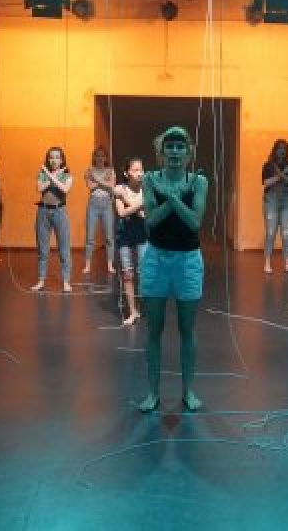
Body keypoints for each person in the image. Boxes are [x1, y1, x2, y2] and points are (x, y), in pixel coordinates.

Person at [138, 126, 208, 413]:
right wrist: (173, 197)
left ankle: (188, 391)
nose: (175, 151)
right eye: (170, 146)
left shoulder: (199, 181)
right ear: (161, 152)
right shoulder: (149, 179)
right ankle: (153, 393)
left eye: (181, 146)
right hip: (156, 259)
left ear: (189, 153)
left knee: (187, 329)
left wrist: (172, 197)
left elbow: (194, 222)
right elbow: (151, 220)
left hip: (188, 261)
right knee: (153, 329)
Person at [31, 147, 73, 293]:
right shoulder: (43, 174)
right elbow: (39, 188)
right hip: (43, 212)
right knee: (42, 249)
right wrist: (51, 176)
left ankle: (66, 281)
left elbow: (65, 189)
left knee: (64, 249)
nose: (54, 160)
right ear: (48, 159)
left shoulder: (67, 175)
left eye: (57, 157)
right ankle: (41, 281)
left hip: (59, 212)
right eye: (51, 157)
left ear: (62, 160)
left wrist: (51, 175)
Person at [114, 157, 147, 326]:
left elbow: (145, 215)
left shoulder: (147, 190)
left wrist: (129, 202)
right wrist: (138, 205)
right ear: (127, 173)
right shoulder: (120, 188)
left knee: (143, 273)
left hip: (142, 234)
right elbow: (121, 213)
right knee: (127, 274)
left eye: (141, 169)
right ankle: (132, 311)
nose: (139, 173)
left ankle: (141, 307)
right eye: (135, 170)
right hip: (124, 235)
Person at [261, 139, 288, 274]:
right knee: (271, 232)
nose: (281, 150)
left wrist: (282, 174)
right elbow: (266, 182)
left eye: (284, 148)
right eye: (279, 148)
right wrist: (282, 174)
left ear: (287, 150)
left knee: (287, 233)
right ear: (275, 149)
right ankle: (267, 263)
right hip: (271, 200)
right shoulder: (268, 165)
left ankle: (287, 263)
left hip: (287, 200)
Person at [83, 146, 116, 274]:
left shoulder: (110, 171)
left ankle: (110, 265)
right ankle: (87, 265)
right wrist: (104, 182)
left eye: (102, 155)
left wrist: (96, 180)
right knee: (90, 237)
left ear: (106, 158)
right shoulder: (89, 170)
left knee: (109, 237)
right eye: (97, 155)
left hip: (107, 204)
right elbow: (90, 186)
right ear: (94, 157)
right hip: (93, 204)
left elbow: (111, 186)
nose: (100, 158)